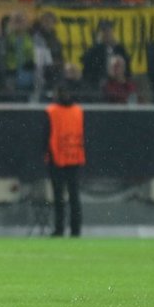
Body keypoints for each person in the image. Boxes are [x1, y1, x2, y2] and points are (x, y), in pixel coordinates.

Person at [44, 83, 86, 237]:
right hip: (74, 157)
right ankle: (75, 229)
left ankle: (59, 229)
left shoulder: (51, 111)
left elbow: (46, 136)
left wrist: (47, 156)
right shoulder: (78, 111)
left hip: (57, 159)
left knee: (59, 197)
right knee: (74, 196)